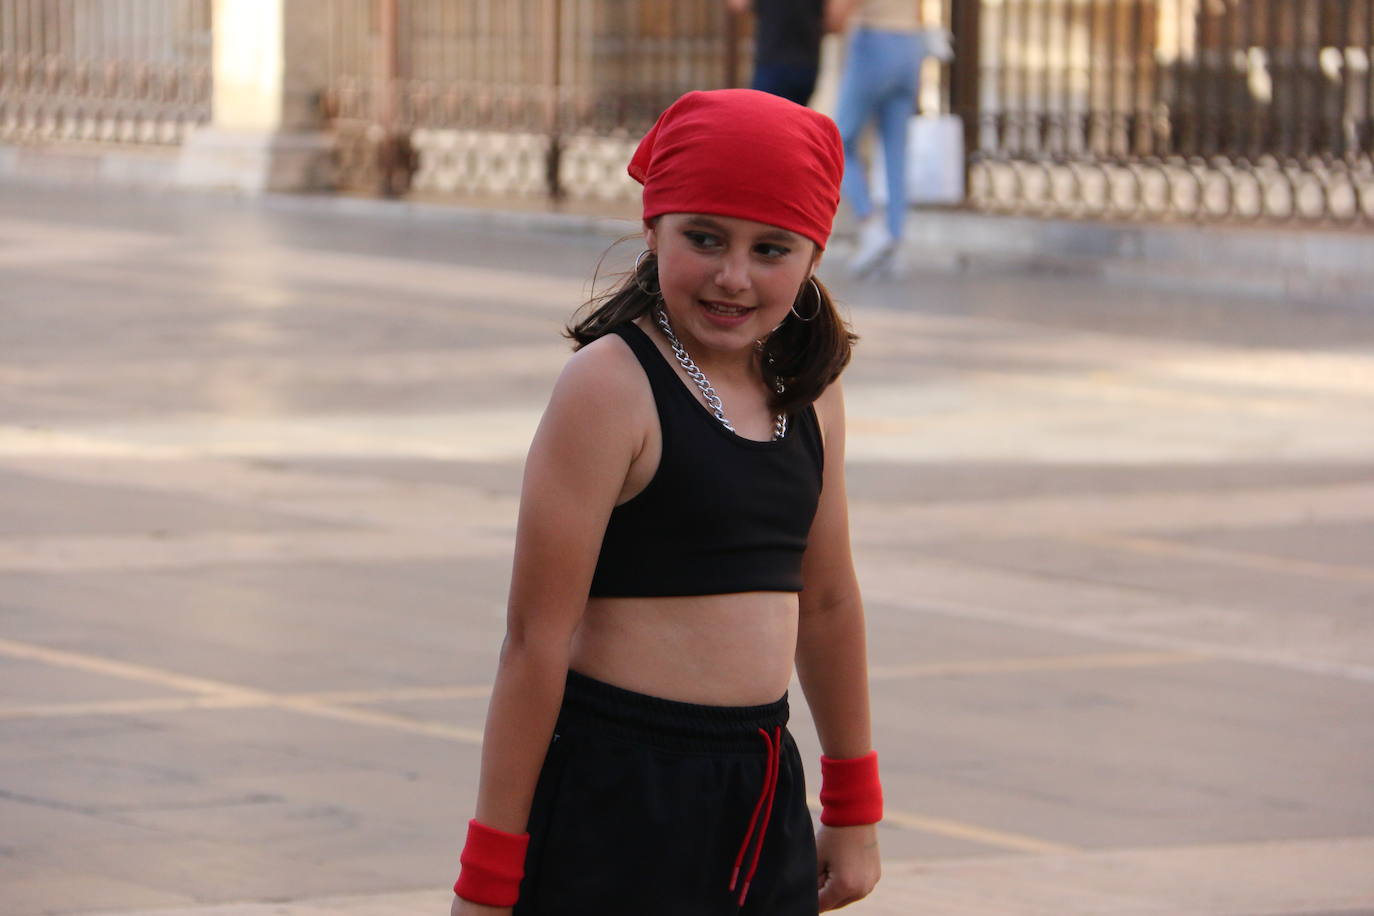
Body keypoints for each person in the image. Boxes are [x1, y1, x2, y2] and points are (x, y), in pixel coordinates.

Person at [450, 89, 883, 916]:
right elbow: (533, 641)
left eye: (771, 249)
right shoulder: (610, 388)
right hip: (618, 789)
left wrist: (853, 808)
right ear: (653, 231)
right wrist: (488, 879)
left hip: (758, 786)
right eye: (705, 238)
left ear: (814, 258)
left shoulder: (811, 395)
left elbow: (827, 602)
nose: (733, 275)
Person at [828, 0, 951, 276]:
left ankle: (870, 225)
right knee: (896, 151)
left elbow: (838, 13)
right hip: (911, 45)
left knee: (838, 142)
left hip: (874, 39)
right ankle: (895, 240)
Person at [727, 0, 826, 107]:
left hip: (772, 59)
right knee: (796, 118)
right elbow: (835, 21)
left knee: (763, 116)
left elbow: (738, 4)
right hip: (807, 60)